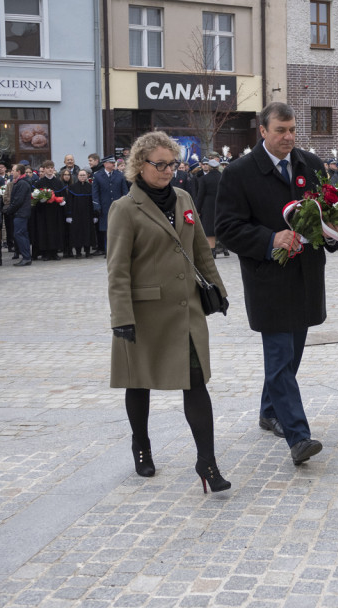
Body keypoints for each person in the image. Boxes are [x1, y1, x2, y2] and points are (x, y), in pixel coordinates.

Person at [107, 131, 231, 493]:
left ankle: (207, 462)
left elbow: (201, 251)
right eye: (159, 164)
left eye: (172, 164)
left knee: (196, 383)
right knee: (138, 380)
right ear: (139, 165)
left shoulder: (183, 198)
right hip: (144, 312)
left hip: (186, 310)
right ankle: (141, 445)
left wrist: (217, 290)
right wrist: (121, 318)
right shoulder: (125, 209)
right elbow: (117, 269)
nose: (167, 171)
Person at [215, 101, 338, 465]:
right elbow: (227, 228)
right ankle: (298, 436)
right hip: (269, 279)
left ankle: (269, 411)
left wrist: (334, 232)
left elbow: (327, 212)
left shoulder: (311, 165)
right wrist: (271, 240)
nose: (288, 137)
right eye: (281, 131)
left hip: (306, 277)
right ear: (263, 131)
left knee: (293, 353)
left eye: (292, 130)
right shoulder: (238, 173)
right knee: (281, 358)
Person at [91, 156, 128, 256]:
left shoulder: (119, 175)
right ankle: (109, 251)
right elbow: (95, 192)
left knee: (119, 229)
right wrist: (97, 206)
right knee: (107, 230)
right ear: (105, 164)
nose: (113, 164)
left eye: (113, 163)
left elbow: (124, 191)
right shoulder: (98, 176)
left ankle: (119, 251)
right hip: (105, 206)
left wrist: (126, 204)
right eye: (111, 163)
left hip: (118, 207)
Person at [31, 160, 67, 260]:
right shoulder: (39, 183)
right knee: (44, 231)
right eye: (48, 168)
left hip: (56, 212)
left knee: (55, 231)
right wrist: (40, 200)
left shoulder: (58, 182)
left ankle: (54, 252)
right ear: (44, 169)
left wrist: (63, 201)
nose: (50, 169)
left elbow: (63, 195)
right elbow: (34, 197)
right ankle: (45, 253)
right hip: (44, 212)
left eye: (52, 167)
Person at [194, 158, 222, 255]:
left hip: (208, 205)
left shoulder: (204, 179)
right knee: (222, 225)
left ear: (209, 167)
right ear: (218, 167)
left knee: (209, 228)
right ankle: (225, 249)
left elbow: (200, 195)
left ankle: (212, 250)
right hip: (221, 204)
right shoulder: (222, 177)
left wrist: (197, 209)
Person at [6, 164, 33, 266]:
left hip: (20, 213)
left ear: (19, 172)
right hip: (21, 213)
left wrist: (9, 210)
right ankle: (27, 257)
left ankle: (26, 257)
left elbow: (18, 200)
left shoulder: (22, 183)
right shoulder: (21, 182)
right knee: (22, 235)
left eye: (13, 170)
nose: (11, 172)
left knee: (19, 234)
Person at [66, 169, 97, 258]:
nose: (82, 177)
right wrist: (69, 215)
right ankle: (78, 252)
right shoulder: (72, 187)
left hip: (88, 214)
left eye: (84, 175)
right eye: (81, 175)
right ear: (77, 176)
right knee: (77, 233)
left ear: (87, 176)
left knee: (88, 232)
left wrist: (95, 215)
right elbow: (69, 202)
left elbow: (93, 202)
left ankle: (87, 252)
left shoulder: (90, 187)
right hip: (76, 214)